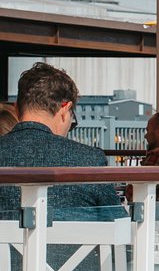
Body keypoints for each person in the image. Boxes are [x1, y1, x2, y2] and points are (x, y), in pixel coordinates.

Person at [0, 63, 121, 221]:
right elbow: (118, 222)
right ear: (65, 109)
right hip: (76, 245)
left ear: (16, 108)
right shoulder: (89, 160)